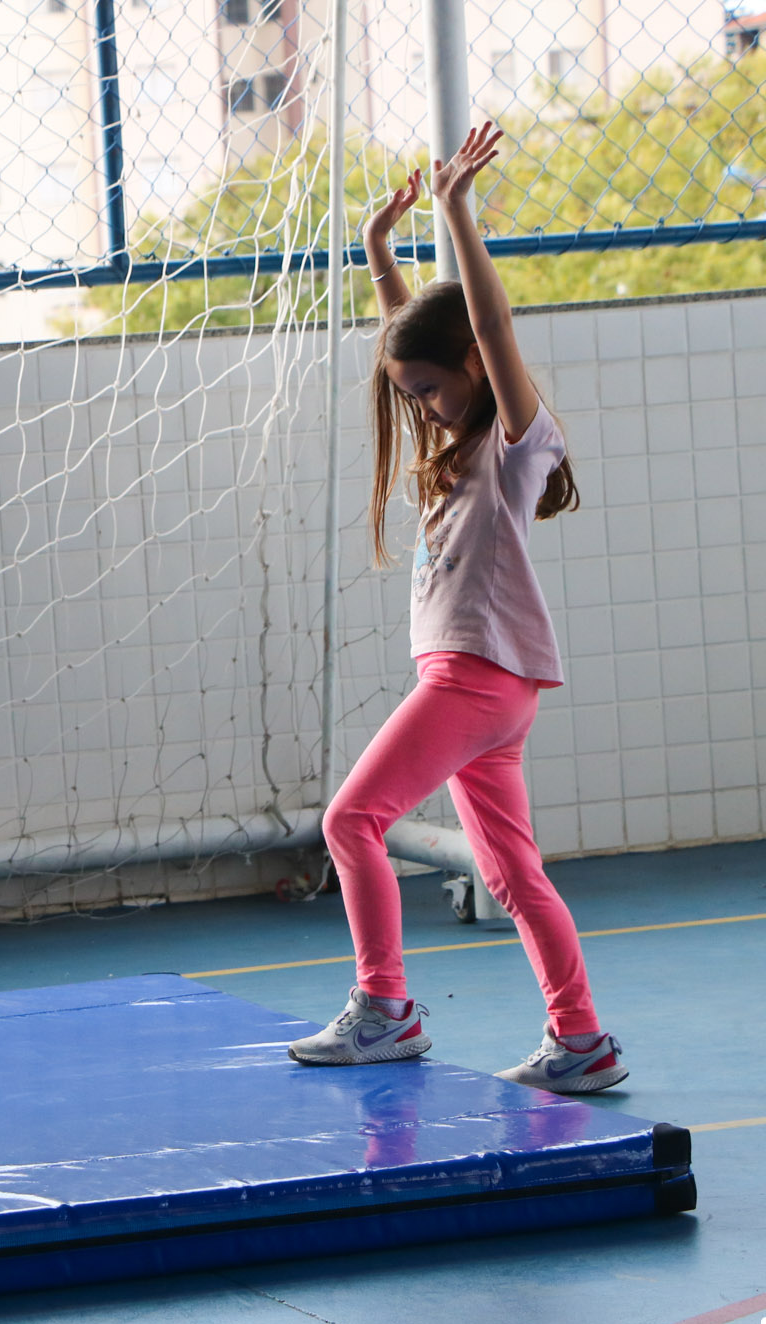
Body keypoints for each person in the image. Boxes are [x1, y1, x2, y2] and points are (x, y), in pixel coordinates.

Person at [286, 122, 627, 1094]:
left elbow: (489, 327)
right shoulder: (452, 444)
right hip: (487, 688)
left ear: (474, 367)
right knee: (511, 874)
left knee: (351, 820)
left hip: (475, 680)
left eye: (432, 390)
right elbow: (419, 338)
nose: (423, 407)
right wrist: (377, 250)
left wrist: (455, 211)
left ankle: (385, 1008)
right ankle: (581, 1039)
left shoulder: (515, 445)